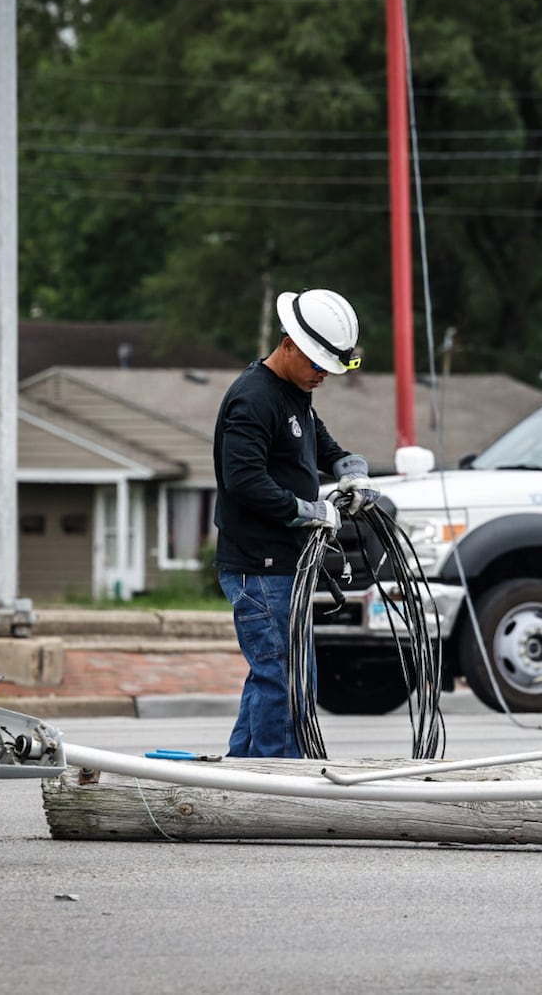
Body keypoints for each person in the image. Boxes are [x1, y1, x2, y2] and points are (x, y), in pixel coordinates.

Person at [211, 288, 379, 758]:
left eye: (330, 367)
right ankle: (280, 778)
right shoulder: (253, 397)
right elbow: (244, 480)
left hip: (282, 564)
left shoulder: (294, 391)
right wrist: (309, 510)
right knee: (284, 676)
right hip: (258, 567)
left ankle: (243, 772)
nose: (322, 374)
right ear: (288, 344)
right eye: (316, 364)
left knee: (275, 671)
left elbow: (321, 445)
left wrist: (351, 469)